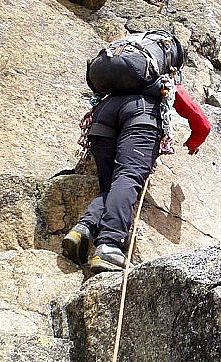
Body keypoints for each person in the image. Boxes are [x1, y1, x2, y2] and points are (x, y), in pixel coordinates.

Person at [62, 33, 210, 273]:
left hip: (102, 116)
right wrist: (193, 143)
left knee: (110, 186)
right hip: (140, 116)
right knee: (128, 178)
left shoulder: (116, 84)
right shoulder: (163, 79)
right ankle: (109, 245)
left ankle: (83, 229)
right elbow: (201, 122)